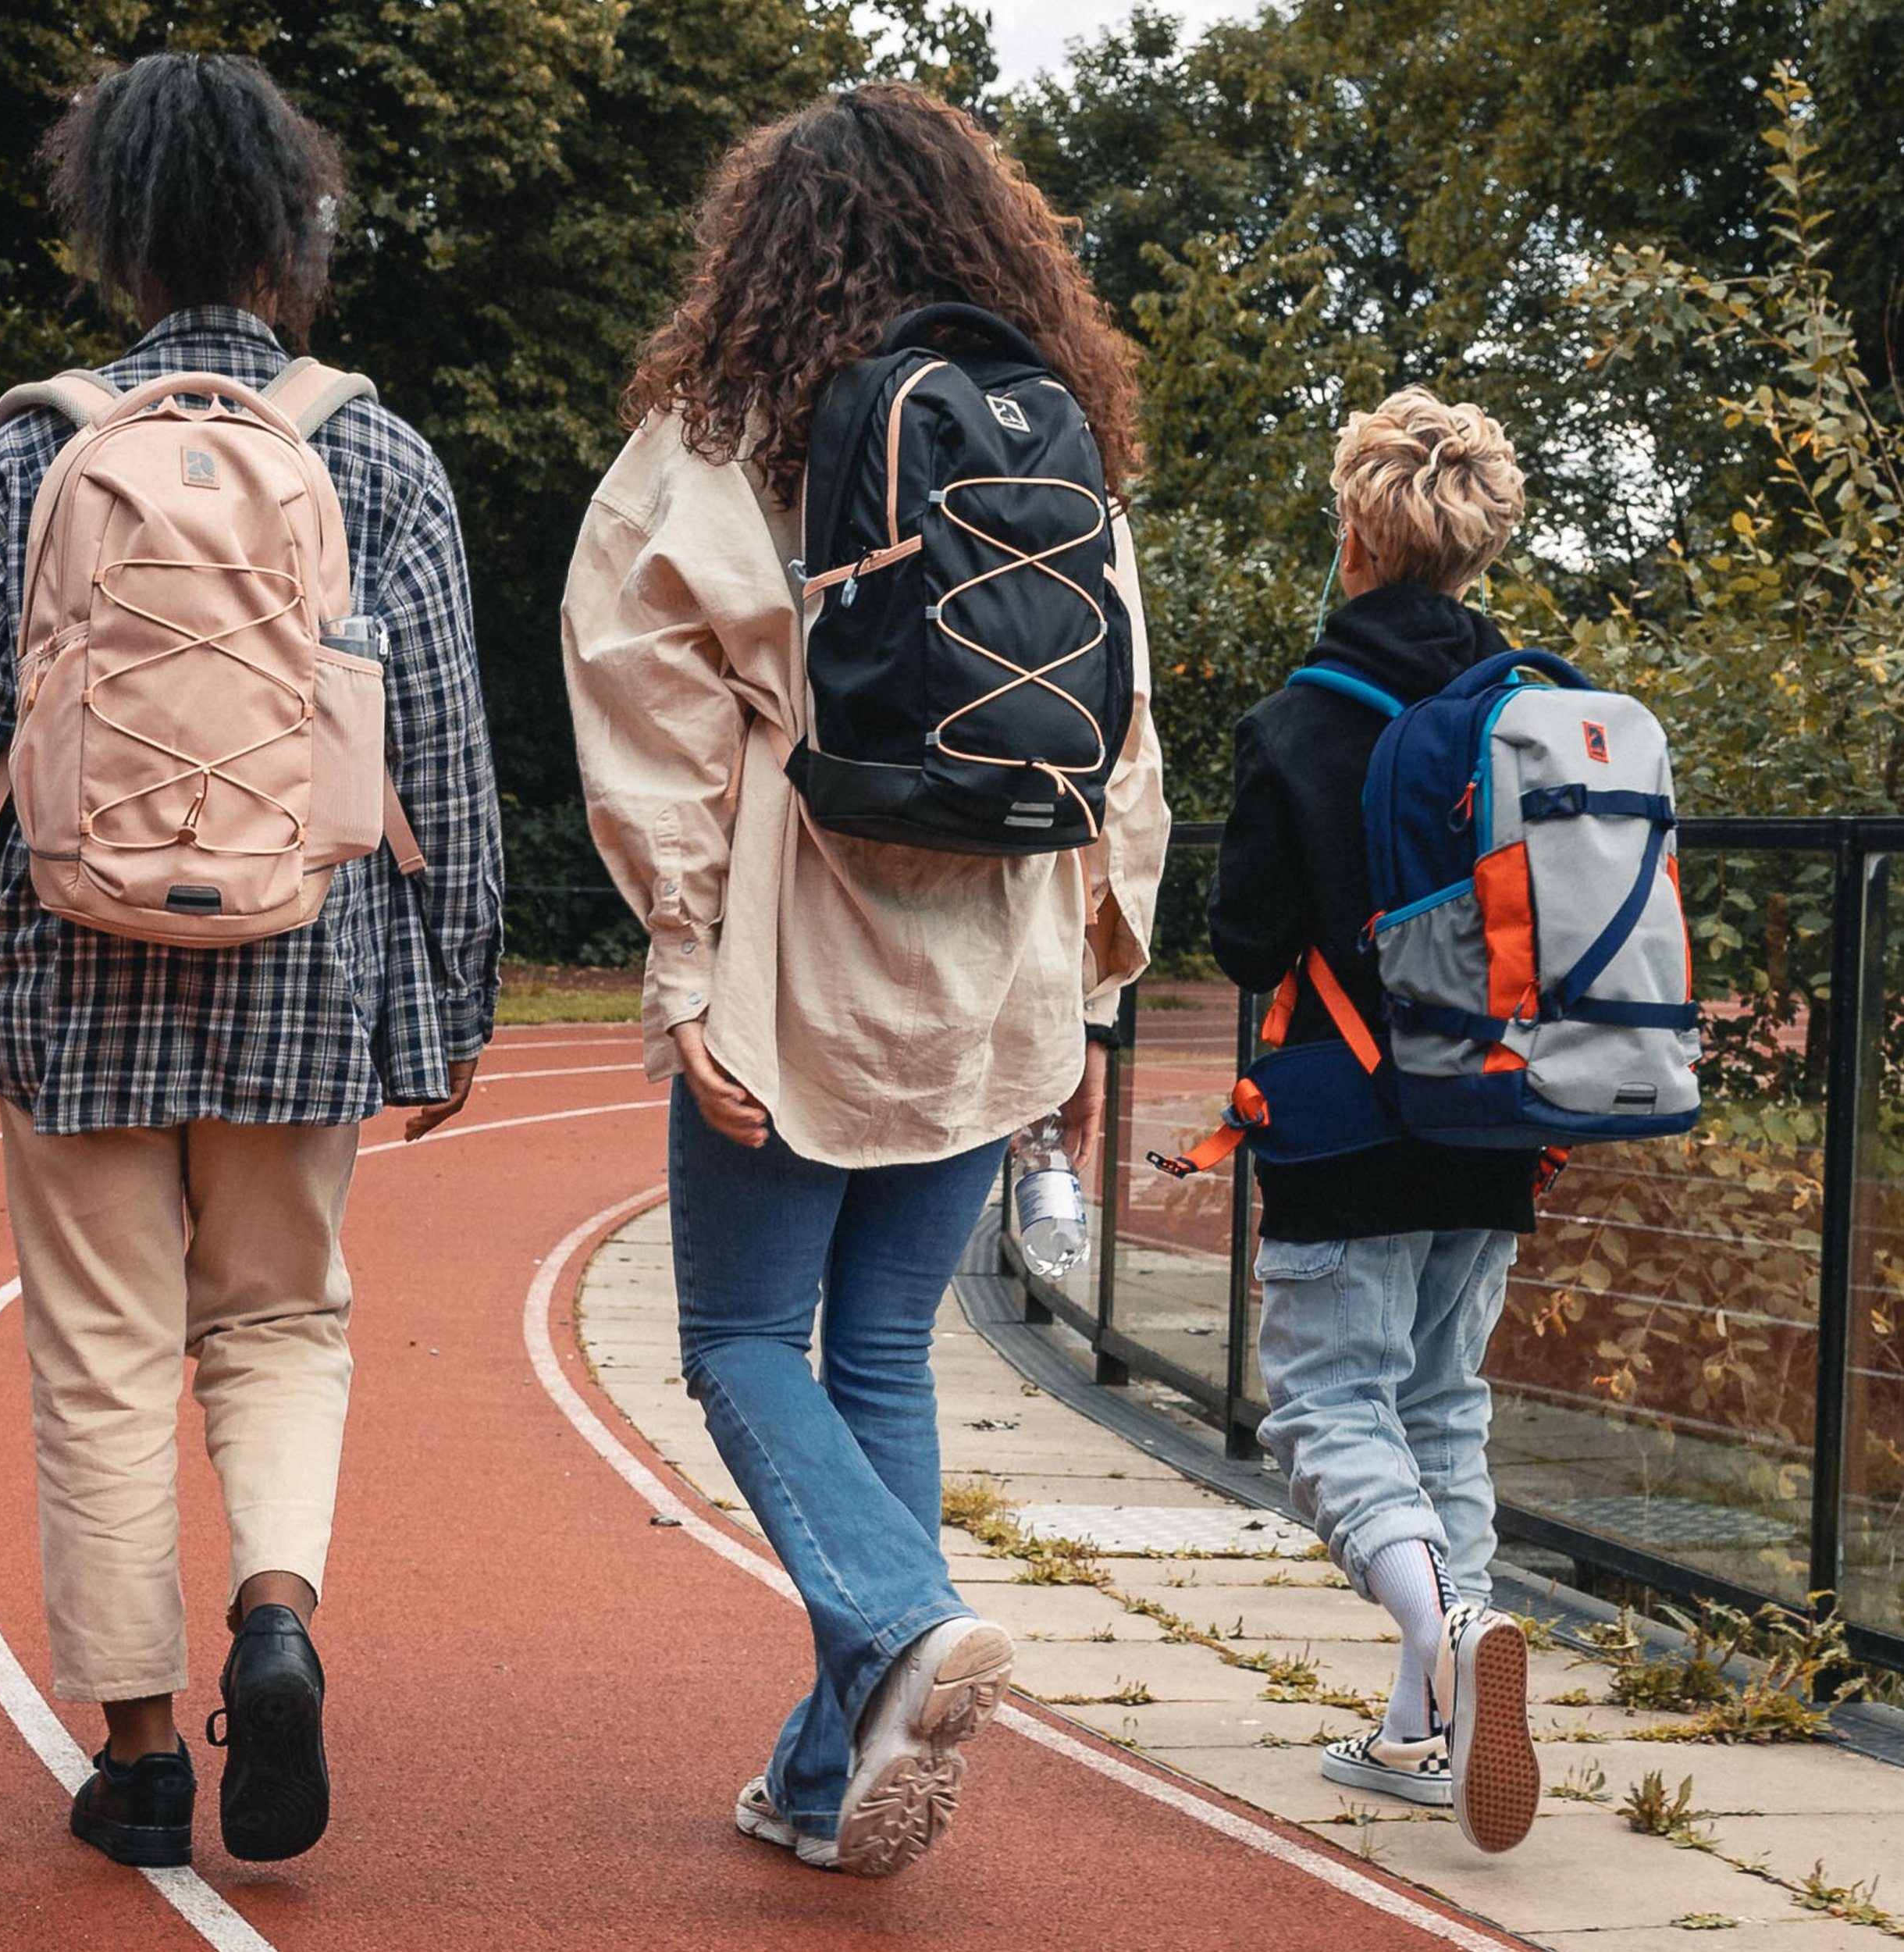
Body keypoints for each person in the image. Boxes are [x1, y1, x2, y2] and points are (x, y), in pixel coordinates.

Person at [563, 83, 1168, 1879]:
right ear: (993, 242)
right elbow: (1123, 737)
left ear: (761, 248)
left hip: (795, 952)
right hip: (995, 971)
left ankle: (903, 1621)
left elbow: (645, 700)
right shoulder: (1056, 446)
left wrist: (680, 958)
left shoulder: (718, 428)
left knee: (742, 1337)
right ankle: (832, 1775)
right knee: (882, 1342)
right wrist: (1099, 990)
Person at [0, 54, 503, 1868]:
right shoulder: (372, 448)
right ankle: (274, 1616)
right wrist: (455, 990)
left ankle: (135, 1754)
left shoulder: (32, 449)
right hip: (304, 957)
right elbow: (436, 745)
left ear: (115, 226)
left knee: (100, 1348)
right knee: (277, 1318)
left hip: (68, 956)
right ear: (289, 226)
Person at [1208, 386, 1542, 1854]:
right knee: (1444, 1411)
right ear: (1474, 546)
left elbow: (1241, 938)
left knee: (1331, 1408)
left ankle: (1455, 1631)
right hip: (1502, 1121)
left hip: (1347, 1122)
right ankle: (1425, 1730)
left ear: (1355, 528)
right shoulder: (1535, 717)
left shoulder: (1298, 723)